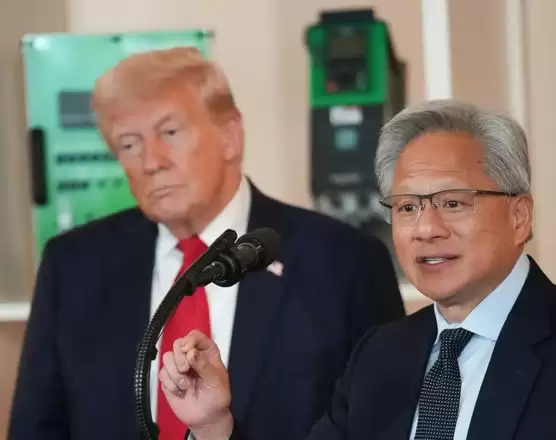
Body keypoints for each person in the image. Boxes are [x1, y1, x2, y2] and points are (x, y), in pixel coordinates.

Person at [160, 99, 556, 440]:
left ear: (519, 216)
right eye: (407, 207)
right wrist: (214, 427)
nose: (426, 229)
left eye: (452, 202)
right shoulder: (380, 355)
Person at [8, 47, 405, 440]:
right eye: (129, 144)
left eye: (169, 133)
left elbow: (383, 425)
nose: (151, 161)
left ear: (230, 135)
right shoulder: (73, 266)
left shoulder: (345, 262)